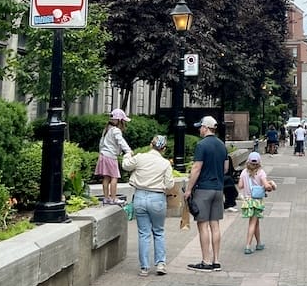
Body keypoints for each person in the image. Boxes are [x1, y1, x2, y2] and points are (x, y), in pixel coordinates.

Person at [126, 134, 174, 276]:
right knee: (158, 231)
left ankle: (144, 267)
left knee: (143, 233)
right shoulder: (165, 163)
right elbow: (170, 184)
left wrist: (127, 155)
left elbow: (126, 166)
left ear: (150, 144)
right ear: (164, 149)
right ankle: (160, 264)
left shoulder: (140, 157)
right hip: (157, 198)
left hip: (140, 196)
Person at [183, 116, 227, 271]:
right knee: (215, 225)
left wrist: (188, 189)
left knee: (203, 226)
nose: (199, 129)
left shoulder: (202, 145)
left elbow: (196, 168)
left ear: (206, 128)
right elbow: (226, 168)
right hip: (218, 189)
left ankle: (206, 261)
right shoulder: (222, 145)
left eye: (200, 127)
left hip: (203, 189)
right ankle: (216, 260)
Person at [239, 150, 275, 253]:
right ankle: (248, 246)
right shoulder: (261, 172)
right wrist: (270, 185)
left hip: (247, 200)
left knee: (256, 222)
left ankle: (259, 243)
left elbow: (240, 186)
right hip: (256, 201)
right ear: (259, 162)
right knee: (252, 223)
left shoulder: (244, 172)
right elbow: (266, 186)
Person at [96, 108, 132, 205]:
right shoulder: (116, 130)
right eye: (123, 121)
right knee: (114, 177)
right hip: (111, 156)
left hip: (103, 155)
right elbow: (121, 142)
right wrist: (128, 151)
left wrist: (101, 152)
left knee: (106, 177)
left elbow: (101, 142)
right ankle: (114, 198)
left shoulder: (107, 129)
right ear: (119, 120)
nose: (124, 123)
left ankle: (106, 198)